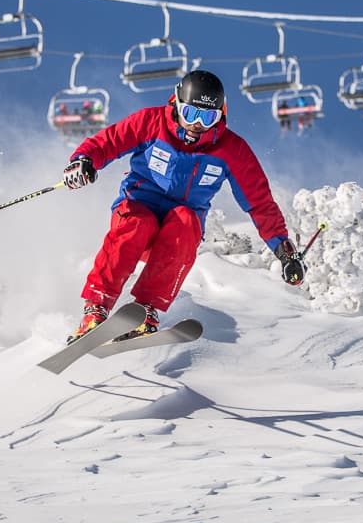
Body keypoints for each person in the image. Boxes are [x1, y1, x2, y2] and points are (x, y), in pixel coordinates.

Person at [61, 69, 305, 344]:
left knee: (187, 221)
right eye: (190, 114)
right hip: (138, 209)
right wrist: (83, 160)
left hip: (177, 232)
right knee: (137, 223)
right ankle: (96, 308)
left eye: (207, 117)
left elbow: (259, 202)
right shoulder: (151, 123)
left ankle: (145, 310)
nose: (197, 124)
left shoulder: (232, 150)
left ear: (221, 114)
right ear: (176, 104)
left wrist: (284, 252)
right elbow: (109, 141)